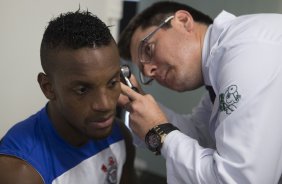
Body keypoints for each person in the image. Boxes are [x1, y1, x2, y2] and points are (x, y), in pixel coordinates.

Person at [117, 1, 282, 184]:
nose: (148, 72)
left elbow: (239, 180)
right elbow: (201, 136)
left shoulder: (248, 52)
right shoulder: (220, 66)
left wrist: (158, 132)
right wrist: (140, 105)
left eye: (148, 49)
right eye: (142, 70)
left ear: (183, 21)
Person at [0, 10, 136, 184]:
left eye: (112, 83)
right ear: (48, 88)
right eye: (82, 89)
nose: (105, 104)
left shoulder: (120, 135)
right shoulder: (20, 171)